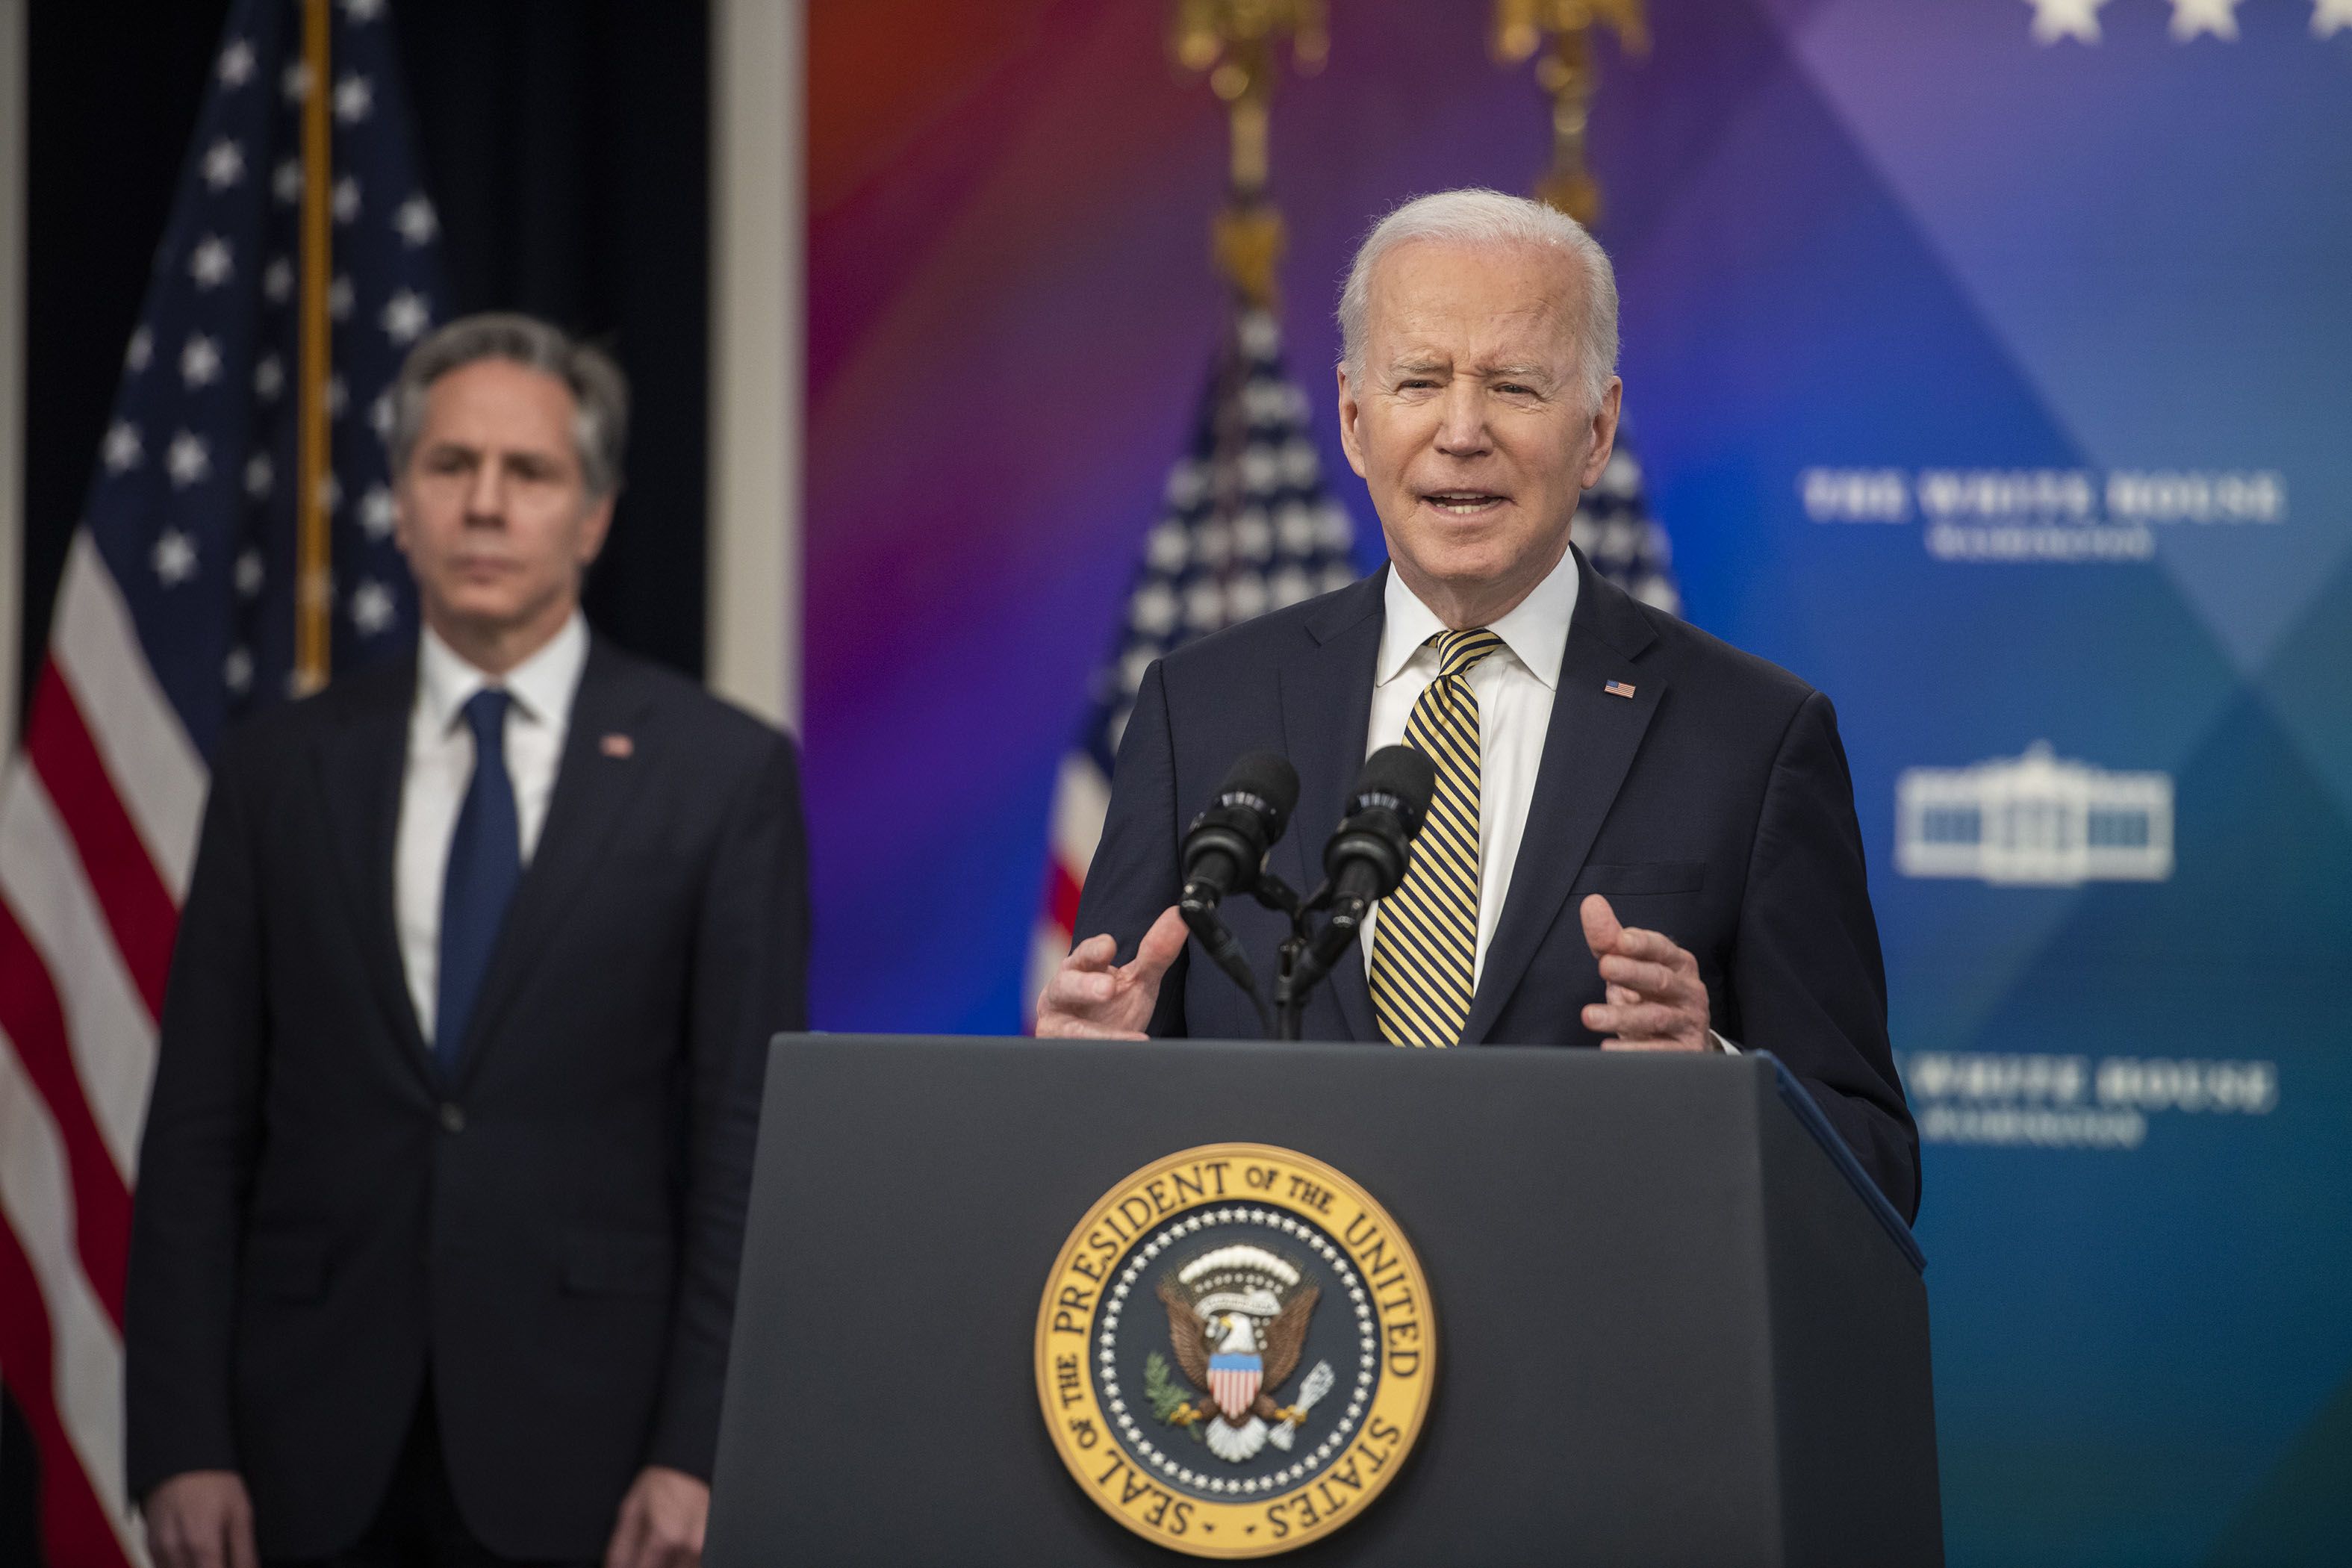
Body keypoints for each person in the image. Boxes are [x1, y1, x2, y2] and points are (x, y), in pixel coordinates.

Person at [1036, 189, 1917, 1219]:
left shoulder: (1754, 739)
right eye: (1419, 381)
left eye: (1512, 385)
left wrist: (1718, 1079)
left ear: (1597, 431)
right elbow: (1100, 1102)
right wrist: (1087, 1075)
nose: (1461, 432)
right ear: (1356, 423)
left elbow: (1872, 1169)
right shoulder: (1202, 710)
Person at [126, 314, 809, 1567]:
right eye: (451, 467)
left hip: (594, 1455)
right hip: (299, 1445)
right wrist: (179, 1436)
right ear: (399, 499)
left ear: (593, 516)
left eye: (530, 473)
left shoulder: (720, 775)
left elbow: (746, 1148)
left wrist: (701, 1448)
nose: (485, 505)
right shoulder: (280, 768)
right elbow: (196, 1127)